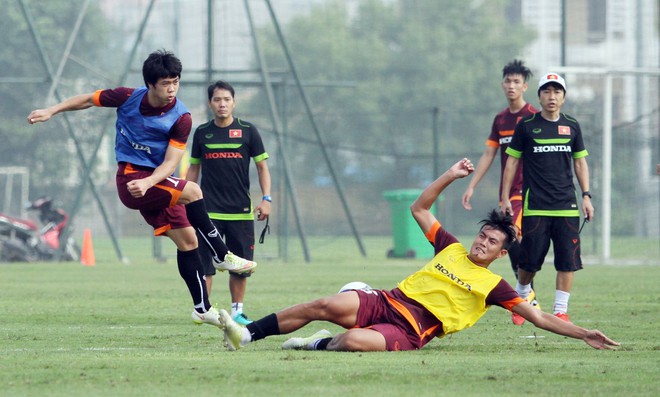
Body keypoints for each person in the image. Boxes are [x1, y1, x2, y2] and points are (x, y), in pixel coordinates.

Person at [216, 159, 618, 352]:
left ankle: (314, 345)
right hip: (388, 300)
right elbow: (419, 209)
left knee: (354, 342)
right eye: (482, 235)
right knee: (321, 302)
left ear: (500, 254)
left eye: (492, 242)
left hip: (414, 329)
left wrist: (585, 333)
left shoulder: (494, 286)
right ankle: (247, 333)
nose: (482, 243)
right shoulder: (452, 247)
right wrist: (449, 175)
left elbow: (540, 316)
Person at [26, 49, 256, 327]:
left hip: (153, 181)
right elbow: (87, 99)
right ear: (150, 84)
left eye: (176, 81)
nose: (172, 89)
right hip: (131, 179)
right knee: (194, 192)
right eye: (165, 83)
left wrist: (149, 182)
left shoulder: (181, 117)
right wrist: (51, 110)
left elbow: (171, 163)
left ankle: (202, 308)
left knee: (189, 242)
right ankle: (221, 254)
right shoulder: (126, 97)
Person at [500, 72, 594, 324]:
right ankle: (519, 301)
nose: (552, 97)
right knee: (529, 262)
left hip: (566, 206)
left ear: (563, 96)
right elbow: (512, 162)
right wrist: (506, 196)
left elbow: (580, 163)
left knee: (567, 260)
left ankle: (560, 311)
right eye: (547, 92)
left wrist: (586, 195)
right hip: (536, 206)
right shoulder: (527, 125)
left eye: (557, 92)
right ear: (539, 95)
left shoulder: (572, 125)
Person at [186, 80, 271, 325]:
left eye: (226, 99)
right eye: (217, 99)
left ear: (234, 102)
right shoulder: (202, 132)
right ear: (210, 103)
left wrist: (266, 199)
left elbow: (262, 167)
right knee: (204, 265)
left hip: (240, 213)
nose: (222, 104)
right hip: (207, 212)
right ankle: (204, 310)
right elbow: (194, 168)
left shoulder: (248, 131)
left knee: (240, 266)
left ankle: (237, 312)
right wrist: (182, 197)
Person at [461, 60, 540, 325]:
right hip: (507, 193)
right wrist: (471, 185)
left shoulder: (534, 117)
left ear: (525, 86)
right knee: (512, 241)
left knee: (513, 239)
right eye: (508, 81)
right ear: (502, 84)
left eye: (517, 81)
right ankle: (525, 296)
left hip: (529, 192)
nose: (511, 86)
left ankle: (524, 296)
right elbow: (488, 154)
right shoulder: (501, 119)